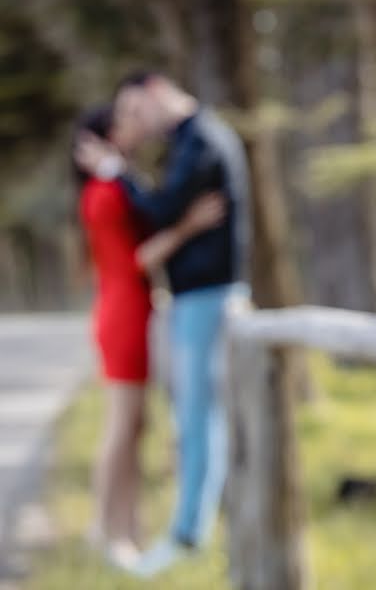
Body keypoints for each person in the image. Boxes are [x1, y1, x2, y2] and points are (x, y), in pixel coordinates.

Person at [75, 71, 250, 576]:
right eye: (122, 120)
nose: (136, 126)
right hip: (132, 310)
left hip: (174, 302)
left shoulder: (201, 142)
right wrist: (186, 226)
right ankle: (117, 531)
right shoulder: (113, 186)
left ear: (155, 93)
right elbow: (145, 242)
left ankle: (150, 533)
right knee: (140, 422)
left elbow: (161, 208)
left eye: (134, 111)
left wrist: (124, 176)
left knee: (161, 421)